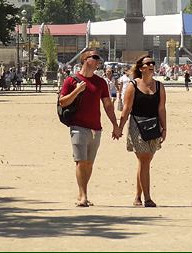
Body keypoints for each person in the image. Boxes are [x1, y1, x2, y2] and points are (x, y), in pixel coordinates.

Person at [58, 49, 120, 207]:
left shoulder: (100, 82)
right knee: (80, 161)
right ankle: (83, 195)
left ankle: (82, 193)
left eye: (99, 58)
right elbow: (62, 102)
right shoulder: (71, 80)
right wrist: (78, 90)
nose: (98, 61)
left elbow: (107, 105)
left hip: (96, 128)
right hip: (78, 126)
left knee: (89, 163)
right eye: (95, 58)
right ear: (85, 59)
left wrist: (115, 125)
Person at [118, 55, 167, 207]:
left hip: (153, 125)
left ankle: (137, 196)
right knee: (144, 159)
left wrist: (164, 127)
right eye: (148, 63)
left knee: (145, 162)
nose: (152, 65)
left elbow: (161, 108)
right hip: (137, 125)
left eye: (153, 62)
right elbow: (126, 109)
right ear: (141, 68)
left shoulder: (159, 86)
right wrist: (119, 127)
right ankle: (148, 198)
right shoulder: (133, 85)